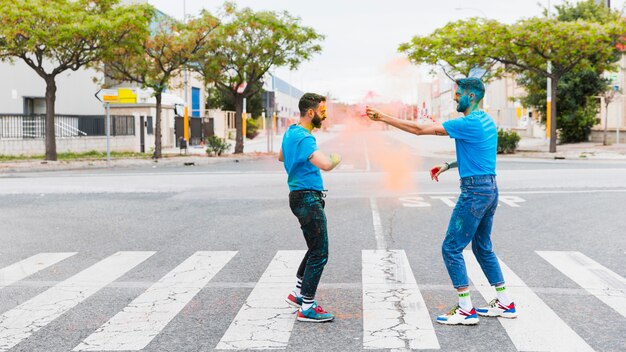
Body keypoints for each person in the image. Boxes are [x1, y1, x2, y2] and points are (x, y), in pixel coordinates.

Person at [366, 78, 517, 325]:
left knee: (451, 248)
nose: (454, 97)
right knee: (482, 247)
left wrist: (384, 118)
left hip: (475, 192)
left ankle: (466, 308)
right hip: (490, 188)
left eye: (458, 94)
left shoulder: (467, 123)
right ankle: (505, 302)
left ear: (470, 96)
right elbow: (478, 155)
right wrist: (448, 165)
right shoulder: (486, 122)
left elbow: (418, 129)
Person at [278, 92, 342, 323]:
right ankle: (307, 306)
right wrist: (336, 158)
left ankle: (297, 294)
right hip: (307, 198)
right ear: (311, 112)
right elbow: (325, 164)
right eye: (322, 112)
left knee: (314, 247)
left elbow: (280, 157)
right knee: (320, 252)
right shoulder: (304, 137)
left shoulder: (290, 132)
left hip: (298, 195)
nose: (324, 117)